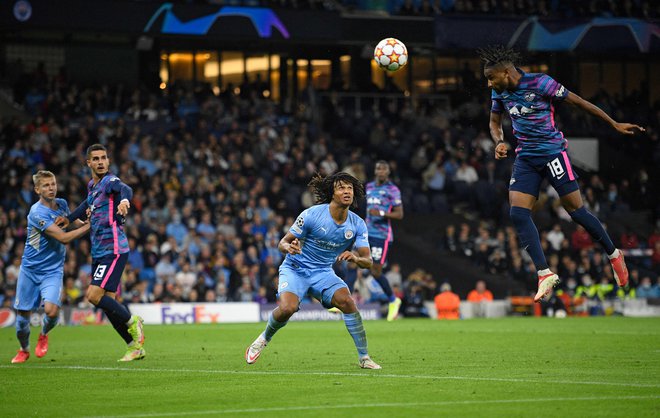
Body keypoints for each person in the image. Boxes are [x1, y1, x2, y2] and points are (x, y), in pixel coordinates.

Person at [478, 45, 645, 303]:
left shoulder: (541, 83)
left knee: (576, 211)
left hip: (553, 153)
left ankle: (614, 254)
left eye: (491, 78)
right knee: (518, 213)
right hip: (526, 158)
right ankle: (544, 273)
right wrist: (499, 141)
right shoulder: (501, 92)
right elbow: (494, 122)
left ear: (506, 72)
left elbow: (579, 102)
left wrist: (613, 123)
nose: (489, 84)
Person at [245, 172, 381, 369]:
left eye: (350, 188)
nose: (347, 192)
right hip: (296, 269)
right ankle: (262, 339)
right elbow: (283, 242)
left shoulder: (357, 224)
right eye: (341, 188)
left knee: (348, 302)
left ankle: (364, 358)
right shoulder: (311, 215)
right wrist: (289, 247)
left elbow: (369, 262)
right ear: (332, 193)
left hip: (323, 273)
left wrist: (356, 258)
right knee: (287, 309)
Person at [65, 144, 145, 362]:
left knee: (92, 295)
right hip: (99, 251)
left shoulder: (110, 181)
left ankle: (132, 321)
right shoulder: (93, 185)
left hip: (114, 249)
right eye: (96, 159)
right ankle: (133, 346)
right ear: (88, 163)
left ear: (108, 161)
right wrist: (68, 219)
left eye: (104, 158)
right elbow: (85, 205)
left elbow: (124, 189)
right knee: (109, 304)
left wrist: (126, 201)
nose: (100, 162)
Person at [11, 171, 90, 363]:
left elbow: (70, 222)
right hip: (30, 270)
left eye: (53, 184)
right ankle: (24, 349)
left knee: (51, 311)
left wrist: (85, 220)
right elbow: (63, 238)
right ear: (37, 189)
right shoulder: (36, 213)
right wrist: (90, 227)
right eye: (46, 185)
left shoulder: (61, 204)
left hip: (52, 270)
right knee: (22, 320)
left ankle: (43, 334)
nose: (51, 188)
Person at [364, 160, 404, 321]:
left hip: (382, 236)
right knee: (351, 262)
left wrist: (381, 214)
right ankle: (340, 302)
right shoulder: (369, 187)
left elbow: (400, 214)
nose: (380, 171)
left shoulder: (393, 190)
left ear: (388, 172)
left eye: (383, 169)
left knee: (375, 272)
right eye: (378, 168)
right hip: (366, 233)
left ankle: (393, 300)